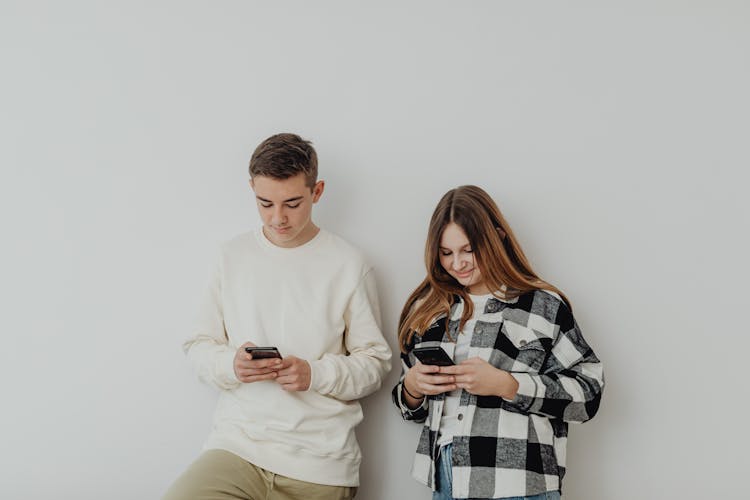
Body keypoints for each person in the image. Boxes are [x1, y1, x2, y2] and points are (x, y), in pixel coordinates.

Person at [164, 133, 392, 500]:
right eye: (265, 203)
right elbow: (198, 345)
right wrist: (231, 366)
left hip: (320, 461)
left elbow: (376, 363)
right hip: (239, 447)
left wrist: (314, 373)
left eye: (292, 203)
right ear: (251, 188)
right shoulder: (231, 256)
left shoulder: (349, 265)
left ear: (317, 191)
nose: (278, 218)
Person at [392, 185, 604, 500]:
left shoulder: (542, 306)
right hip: (447, 478)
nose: (458, 263)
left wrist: (507, 384)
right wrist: (411, 387)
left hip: (518, 481)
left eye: (468, 250)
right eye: (446, 253)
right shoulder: (432, 311)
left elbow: (588, 394)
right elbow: (409, 407)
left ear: (497, 238)